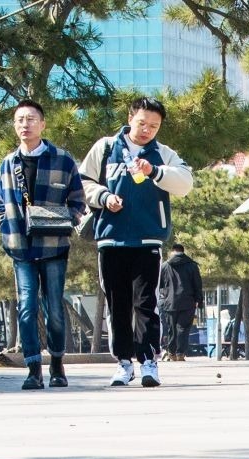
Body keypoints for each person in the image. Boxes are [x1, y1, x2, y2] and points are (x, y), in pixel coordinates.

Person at [78, 96, 193, 388]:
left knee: (146, 303)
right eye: (142, 123)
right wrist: (104, 197)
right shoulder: (105, 147)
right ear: (130, 118)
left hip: (148, 238)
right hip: (111, 239)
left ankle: (149, 361)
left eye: (154, 126)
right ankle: (123, 362)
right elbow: (83, 182)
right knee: (117, 303)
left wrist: (153, 171)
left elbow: (185, 183)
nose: (146, 130)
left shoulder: (163, 153)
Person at [0, 98, 87, 389]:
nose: (25, 124)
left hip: (54, 246)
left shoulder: (62, 159)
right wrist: (4, 226)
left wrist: (66, 219)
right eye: (20, 119)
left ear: (43, 124)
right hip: (20, 247)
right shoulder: (8, 164)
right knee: (26, 307)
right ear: (14, 125)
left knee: (54, 309)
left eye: (31, 119)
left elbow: (78, 200)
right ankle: (33, 368)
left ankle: (57, 363)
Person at [157, 242, 203, 361]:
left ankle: (171, 352)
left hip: (170, 302)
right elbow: (197, 284)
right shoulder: (192, 265)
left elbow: (159, 285)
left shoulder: (165, 266)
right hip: (188, 302)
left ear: (173, 251)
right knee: (183, 328)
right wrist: (199, 300)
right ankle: (180, 353)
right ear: (183, 251)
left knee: (171, 328)